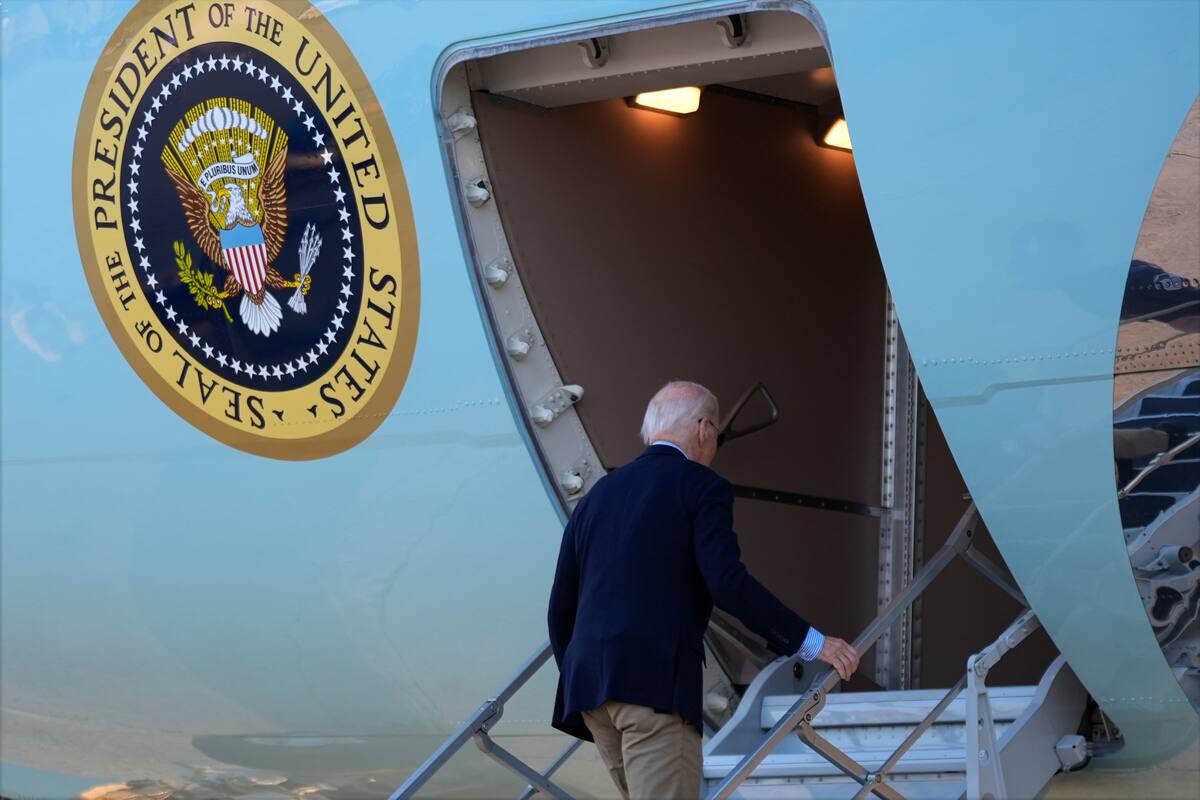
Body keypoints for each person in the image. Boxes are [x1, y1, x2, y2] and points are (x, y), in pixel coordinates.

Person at [547, 380, 860, 799]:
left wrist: (579, 672)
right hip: (653, 688)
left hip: (591, 694)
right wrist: (810, 641)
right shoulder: (700, 485)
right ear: (703, 429)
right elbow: (727, 583)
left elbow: (561, 605)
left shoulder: (598, 495)